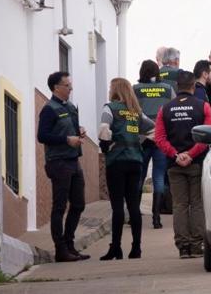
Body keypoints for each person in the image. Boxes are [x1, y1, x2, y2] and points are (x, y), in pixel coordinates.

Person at [155, 71, 211, 259]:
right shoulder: (203, 106)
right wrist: (191, 154)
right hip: (196, 163)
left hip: (174, 165)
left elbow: (159, 138)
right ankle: (197, 245)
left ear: (176, 87)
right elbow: (208, 135)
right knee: (197, 204)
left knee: (179, 205)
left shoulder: (164, 109)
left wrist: (175, 154)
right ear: (193, 86)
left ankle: (183, 247)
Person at [98, 78, 155, 260]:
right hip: (135, 161)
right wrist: (138, 141)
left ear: (114, 90)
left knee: (117, 207)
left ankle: (116, 248)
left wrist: (107, 145)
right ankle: (136, 248)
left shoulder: (110, 108)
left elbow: (103, 129)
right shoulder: (136, 112)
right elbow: (153, 129)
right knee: (133, 206)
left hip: (117, 161)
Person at [37, 71, 89, 262]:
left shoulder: (70, 107)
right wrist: (66, 139)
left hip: (73, 161)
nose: (71, 88)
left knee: (78, 204)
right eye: (67, 85)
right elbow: (42, 136)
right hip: (58, 162)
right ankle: (61, 250)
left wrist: (79, 131)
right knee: (59, 206)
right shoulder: (49, 109)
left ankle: (69, 244)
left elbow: (72, 128)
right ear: (56, 87)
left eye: (70, 85)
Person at [133, 60, 175, 229]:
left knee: (140, 177)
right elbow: (172, 110)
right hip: (160, 138)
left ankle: (134, 215)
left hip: (141, 139)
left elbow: (131, 111)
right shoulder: (167, 88)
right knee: (158, 176)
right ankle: (156, 218)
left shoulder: (135, 89)